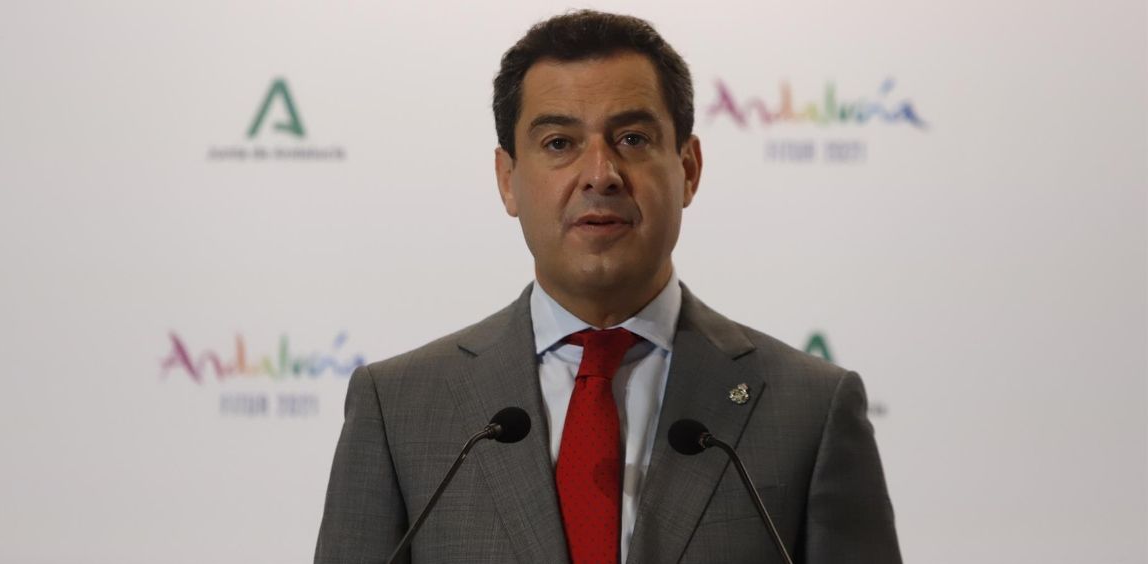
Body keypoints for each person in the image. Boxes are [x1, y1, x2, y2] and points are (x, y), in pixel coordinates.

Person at [315, 10, 901, 564]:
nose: (600, 174)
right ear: (508, 179)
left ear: (689, 169)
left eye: (633, 139)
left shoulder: (810, 409)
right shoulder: (400, 408)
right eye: (559, 143)